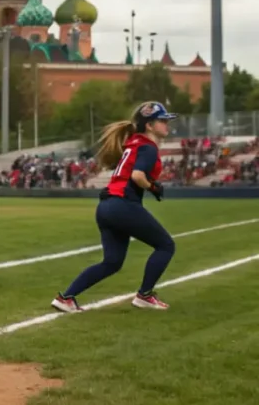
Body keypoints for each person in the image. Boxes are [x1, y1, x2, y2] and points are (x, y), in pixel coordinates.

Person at [52, 102, 177, 313]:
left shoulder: (133, 142)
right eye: (162, 120)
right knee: (166, 246)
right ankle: (145, 295)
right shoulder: (147, 146)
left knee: (112, 262)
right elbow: (137, 176)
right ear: (149, 125)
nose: (167, 125)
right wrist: (153, 187)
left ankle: (66, 298)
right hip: (123, 205)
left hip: (106, 206)